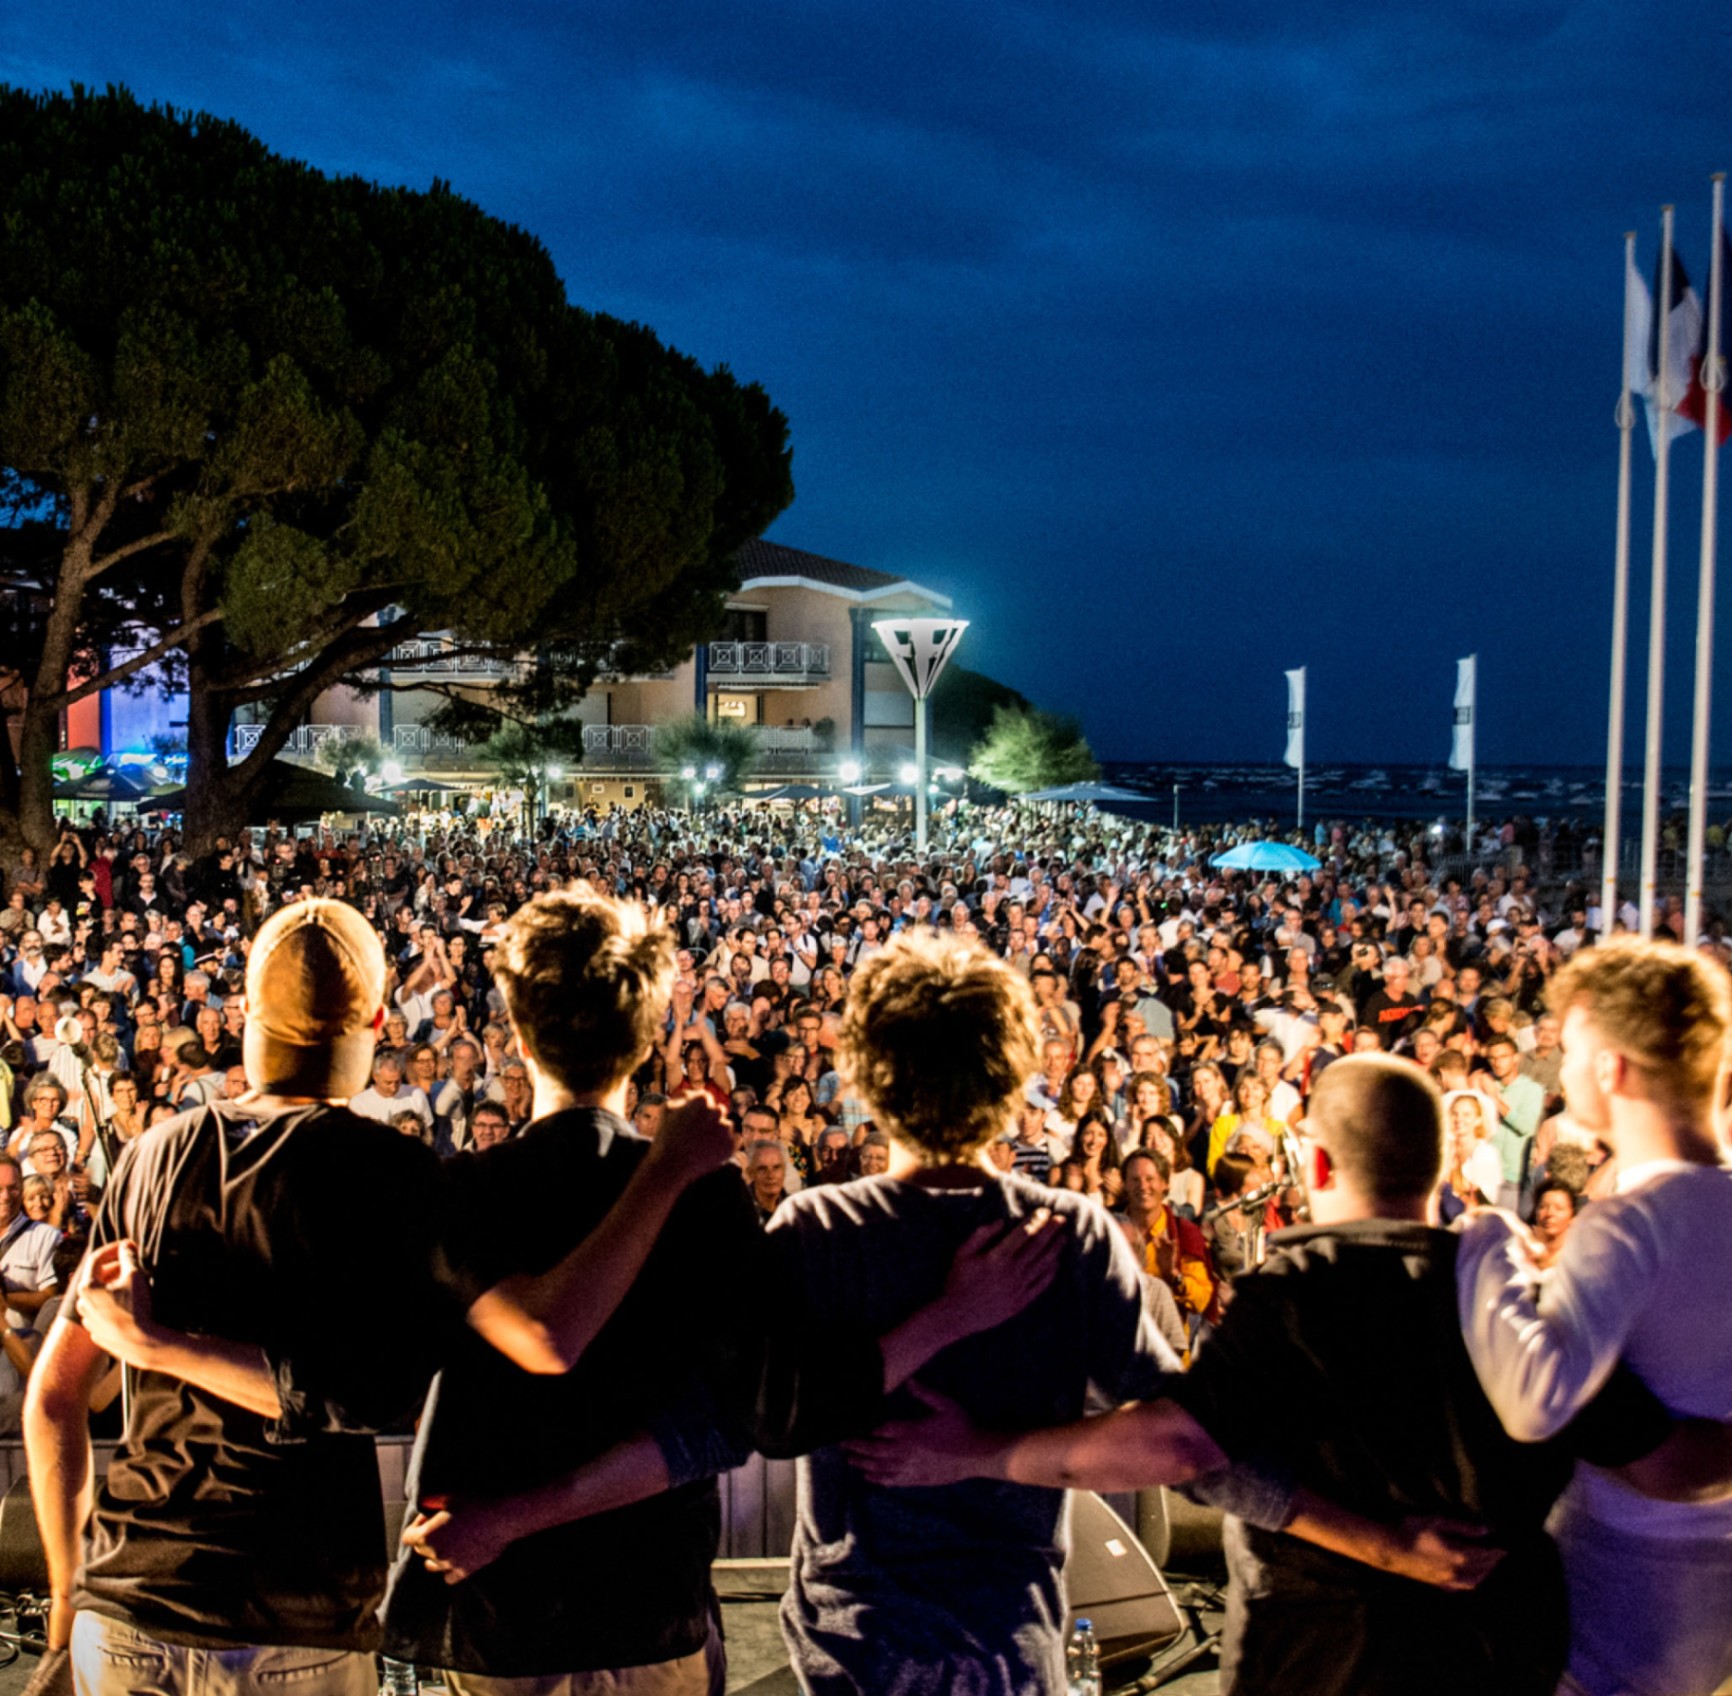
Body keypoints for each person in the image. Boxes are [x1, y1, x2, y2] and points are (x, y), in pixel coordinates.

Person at [23, 896, 743, 1688]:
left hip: (124, 1603)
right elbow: (531, 1340)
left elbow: (54, 1397)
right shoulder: (387, 1171)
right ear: (373, 1021)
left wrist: (66, 1596)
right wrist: (665, 1172)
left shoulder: (151, 1154)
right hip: (295, 1613)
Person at [850, 1053, 1702, 1696]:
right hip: (1501, 1655)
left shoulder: (1303, 1288)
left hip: (1325, 1659)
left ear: (1318, 1165)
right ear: (1443, 1164)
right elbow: (1668, 1465)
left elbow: (1178, 1445)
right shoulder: (1527, 1298)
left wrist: (975, 1452)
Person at [1457, 936, 1732, 1696]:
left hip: (1613, 1588)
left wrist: (1489, 1251)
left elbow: (1537, 1399)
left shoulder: (1627, 1224)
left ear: (1609, 1067)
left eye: (1571, 1048)